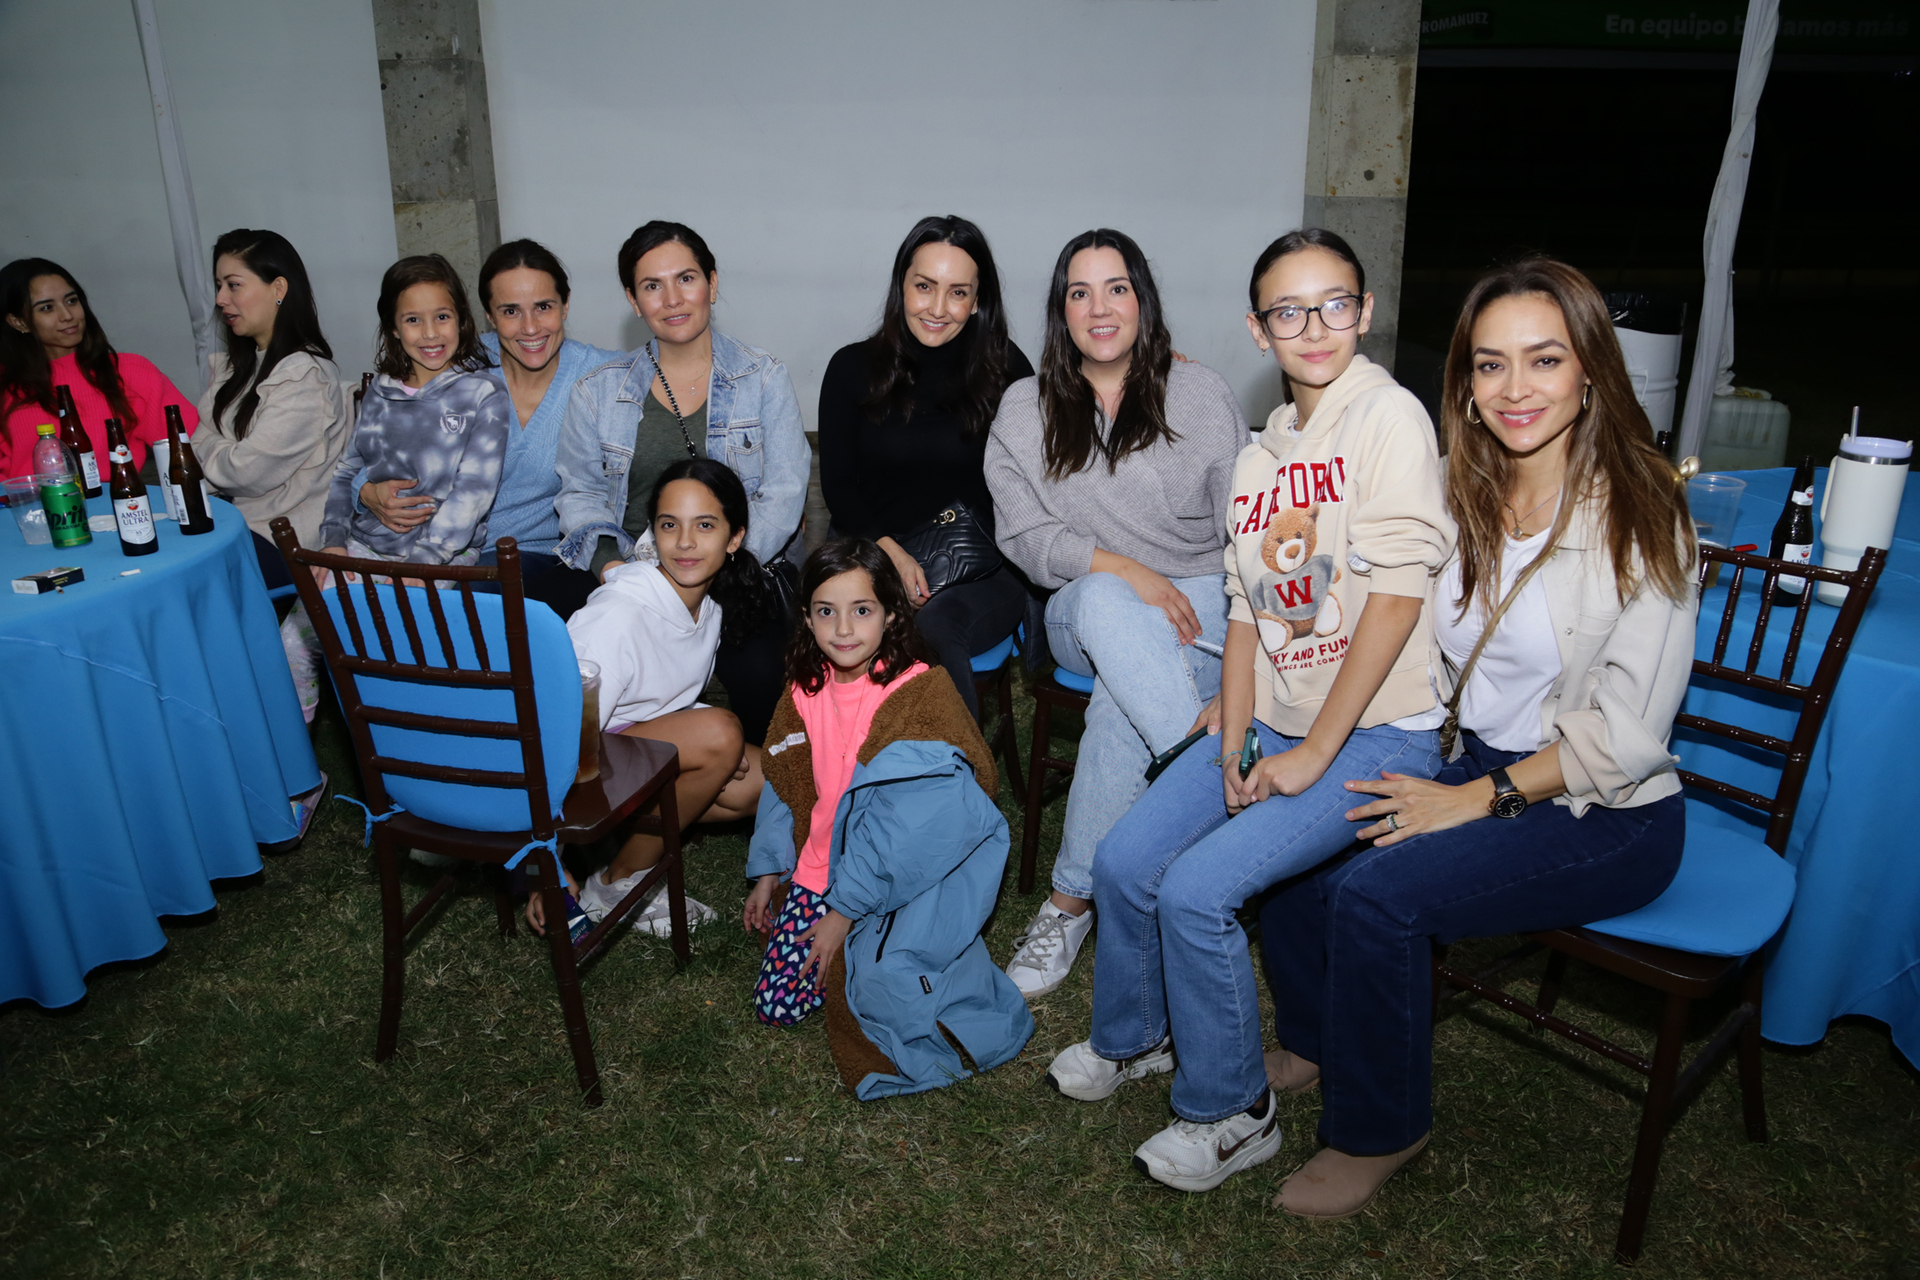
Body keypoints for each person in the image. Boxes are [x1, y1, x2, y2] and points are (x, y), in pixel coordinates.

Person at [1259, 256, 1694, 1219]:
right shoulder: (1458, 490)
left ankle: (1379, 1128)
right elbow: (1370, 608)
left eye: (1544, 360)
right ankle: (1318, 1036)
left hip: (1598, 804)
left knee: (1375, 896)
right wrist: (1262, 685)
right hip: (1468, 759)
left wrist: (1475, 799)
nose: (1515, 389)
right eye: (1489, 366)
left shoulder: (1644, 510)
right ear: (1464, 381)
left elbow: (1627, 734)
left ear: (1592, 369)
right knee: (1299, 851)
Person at [1043, 228, 1454, 1195]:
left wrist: (1315, 750)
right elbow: (1244, 617)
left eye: (1335, 304)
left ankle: (1234, 1110)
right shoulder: (1262, 455)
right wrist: (1230, 737)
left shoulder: (1387, 417)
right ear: (1257, 328)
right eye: (1288, 310)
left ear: (1363, 309)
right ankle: (1136, 1038)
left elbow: (1397, 597)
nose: (1314, 327)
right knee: (1123, 860)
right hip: (1268, 721)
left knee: (1197, 893)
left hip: (1373, 731)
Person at [983, 228, 1247, 998]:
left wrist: (1245, 631)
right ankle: (1208, 790)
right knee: (1106, 603)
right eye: (1079, 291)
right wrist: (1125, 568)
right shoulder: (1025, 408)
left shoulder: (1199, 393)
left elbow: (1244, 529)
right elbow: (1026, 540)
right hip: (1079, 602)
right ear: (1060, 311)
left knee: (1115, 711)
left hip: (1200, 604)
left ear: (1143, 299)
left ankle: (1069, 904)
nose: (1100, 308)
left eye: (1117, 288)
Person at [741, 538, 1033, 1098]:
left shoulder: (918, 695)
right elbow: (786, 785)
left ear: (891, 614)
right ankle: (816, 934)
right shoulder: (804, 689)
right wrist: (768, 871)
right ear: (806, 618)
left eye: (862, 610)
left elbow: (911, 831)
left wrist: (843, 913)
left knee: (885, 990)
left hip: (896, 880)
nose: (843, 629)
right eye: (826, 611)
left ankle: (861, 946)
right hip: (819, 867)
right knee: (778, 1006)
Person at [547, 221, 811, 747]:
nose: (672, 299)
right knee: (532, 606)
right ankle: (571, 762)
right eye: (651, 286)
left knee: (759, 669)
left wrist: (720, 569)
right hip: (630, 569)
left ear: (712, 284)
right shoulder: (597, 393)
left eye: (686, 278)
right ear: (633, 299)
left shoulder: (763, 378)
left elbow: (783, 491)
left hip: (736, 571)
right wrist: (611, 566)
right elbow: (579, 491)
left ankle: (763, 784)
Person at [532, 458, 772, 937]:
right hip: (580, 766)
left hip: (624, 753)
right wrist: (543, 862)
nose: (685, 543)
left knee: (765, 779)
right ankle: (617, 882)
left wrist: (698, 743)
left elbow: (656, 698)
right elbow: (552, 734)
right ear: (652, 534)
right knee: (722, 734)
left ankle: (617, 844)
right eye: (669, 525)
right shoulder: (619, 613)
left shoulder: (709, 604)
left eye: (705, 525)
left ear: (734, 538)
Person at [817, 215, 1034, 718]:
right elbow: (840, 486)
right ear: (902, 286)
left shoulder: (1006, 370)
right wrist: (889, 552)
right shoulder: (852, 368)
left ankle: (951, 783)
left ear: (978, 300)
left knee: (932, 628)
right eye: (924, 287)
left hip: (980, 570)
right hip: (874, 555)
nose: (938, 308)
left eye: (958, 292)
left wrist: (1151, 368)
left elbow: (1050, 459)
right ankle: (839, 763)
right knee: (846, 621)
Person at [355, 239, 623, 584]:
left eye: (543, 306)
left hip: (538, 562)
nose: (530, 327)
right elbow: (365, 456)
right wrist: (367, 492)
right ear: (488, 315)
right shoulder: (453, 364)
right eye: (510, 311)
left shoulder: (602, 375)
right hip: (423, 549)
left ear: (566, 305)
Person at [317, 255, 513, 573]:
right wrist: (333, 542)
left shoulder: (483, 395)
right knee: (317, 617)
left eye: (442, 317)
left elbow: (474, 491)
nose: (430, 333)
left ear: (461, 320)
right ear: (393, 328)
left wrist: (423, 562)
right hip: (361, 547)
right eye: (412, 320)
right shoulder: (380, 391)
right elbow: (345, 474)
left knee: (410, 620)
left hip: (441, 559)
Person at [193, 229, 353, 590]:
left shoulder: (303, 375)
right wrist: (216, 449)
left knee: (182, 584)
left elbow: (248, 472)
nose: (220, 299)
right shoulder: (238, 365)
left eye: (233, 285)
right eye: (219, 285)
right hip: (233, 521)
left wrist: (208, 447)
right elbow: (198, 444)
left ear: (278, 289)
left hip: (280, 538)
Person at [1, 258, 198, 477]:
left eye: (72, 301)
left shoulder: (128, 371)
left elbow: (191, 446)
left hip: (117, 507)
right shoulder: (6, 387)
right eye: (47, 308)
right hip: (25, 509)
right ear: (18, 322)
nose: (67, 315)